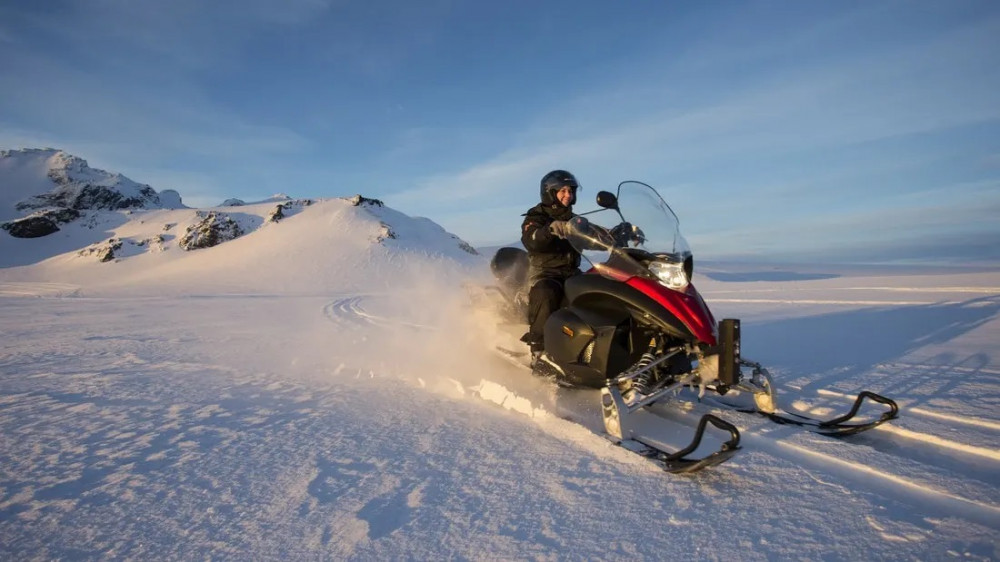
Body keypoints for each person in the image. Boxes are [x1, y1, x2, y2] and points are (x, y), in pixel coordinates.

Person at [519, 170, 582, 365]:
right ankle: (538, 350)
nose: (567, 195)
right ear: (550, 193)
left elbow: (594, 235)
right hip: (545, 273)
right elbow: (532, 239)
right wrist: (549, 230)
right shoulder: (536, 216)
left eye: (570, 191)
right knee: (546, 293)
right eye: (562, 191)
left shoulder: (574, 219)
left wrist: (619, 233)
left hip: (571, 273)